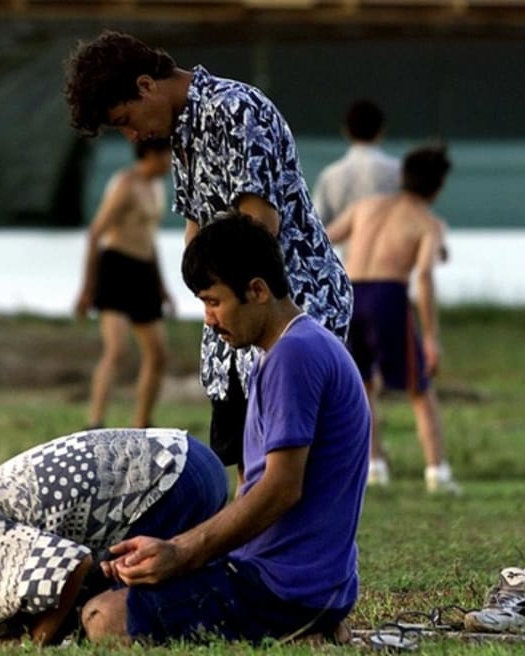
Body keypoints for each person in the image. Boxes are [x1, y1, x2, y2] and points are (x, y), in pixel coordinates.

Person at [63, 31, 352, 471]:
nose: (133, 136)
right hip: (234, 312)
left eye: (126, 119)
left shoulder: (233, 110)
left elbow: (258, 229)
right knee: (242, 461)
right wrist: (209, 297)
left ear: (146, 85)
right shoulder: (181, 130)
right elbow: (195, 224)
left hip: (287, 306)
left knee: (287, 466)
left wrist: (214, 290)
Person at [78, 215, 370, 645]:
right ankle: (313, 627)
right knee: (117, 585)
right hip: (290, 580)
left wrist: (182, 554)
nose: (209, 320)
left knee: (102, 616)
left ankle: (302, 628)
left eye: (214, 302)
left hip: (287, 590)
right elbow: (254, 490)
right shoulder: (281, 351)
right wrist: (176, 550)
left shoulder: (295, 356)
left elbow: (281, 489)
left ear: (257, 290)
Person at [0, 428, 228, 644]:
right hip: (184, 457)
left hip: (173, 481)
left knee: (111, 620)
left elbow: (73, 565)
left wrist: (29, 645)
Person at [327, 145, 460, 494]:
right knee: (420, 389)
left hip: (349, 293)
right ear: (439, 188)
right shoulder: (428, 224)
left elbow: (324, 239)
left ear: (402, 176)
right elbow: (426, 278)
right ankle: (437, 472)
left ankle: (374, 466)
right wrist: (431, 336)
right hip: (388, 296)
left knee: (363, 384)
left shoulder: (365, 207)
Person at [74, 137, 173, 430]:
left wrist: (162, 287)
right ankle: (95, 421)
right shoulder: (125, 185)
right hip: (116, 268)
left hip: (143, 271)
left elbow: (149, 240)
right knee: (117, 350)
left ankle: (142, 424)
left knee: (158, 355)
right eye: (167, 155)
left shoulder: (156, 188)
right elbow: (95, 234)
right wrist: (87, 289)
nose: (170, 162)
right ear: (151, 155)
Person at [312, 99, 400, 227]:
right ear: (382, 130)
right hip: (389, 246)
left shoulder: (330, 175)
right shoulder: (399, 172)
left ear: (345, 131)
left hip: (341, 245)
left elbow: (317, 224)